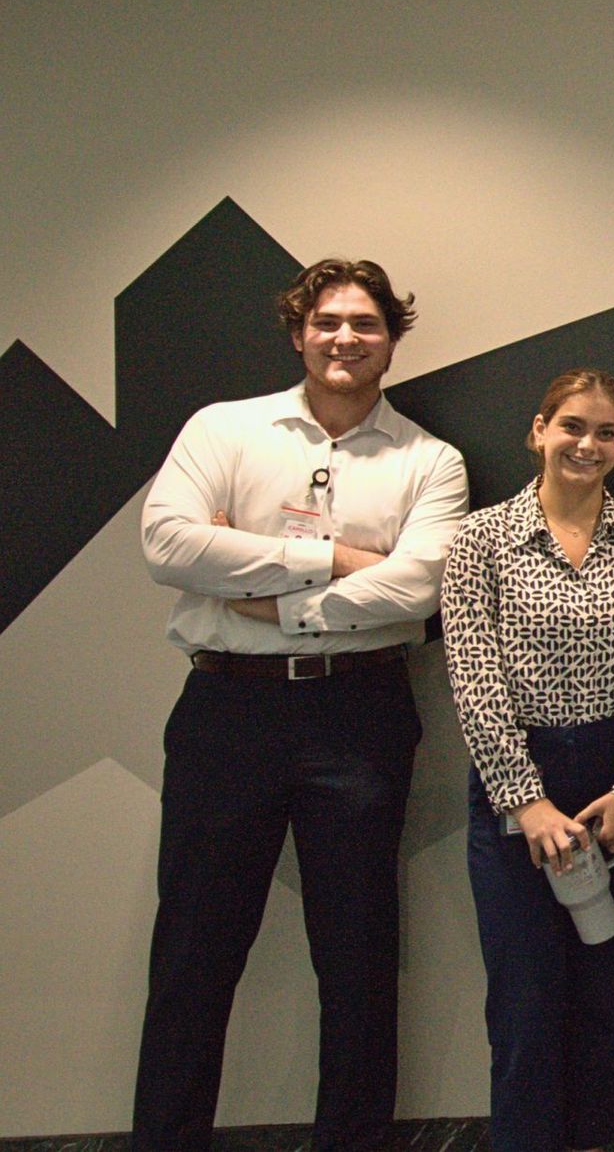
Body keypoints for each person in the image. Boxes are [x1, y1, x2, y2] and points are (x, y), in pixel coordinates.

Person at [134, 259, 468, 1151]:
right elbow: (167, 542)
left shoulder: (430, 460)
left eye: (365, 323)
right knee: (192, 959)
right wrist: (335, 563)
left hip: (358, 716)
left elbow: (424, 585)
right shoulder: (224, 428)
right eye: (327, 322)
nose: (345, 338)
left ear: (393, 340)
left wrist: (266, 593)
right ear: (298, 332)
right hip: (225, 712)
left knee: (357, 962)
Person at [441, 369, 614, 1152]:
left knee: (605, 988)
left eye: (606, 432)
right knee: (525, 998)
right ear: (538, 430)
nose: (587, 444)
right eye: (572, 426)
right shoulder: (481, 539)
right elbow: (473, 677)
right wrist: (526, 802)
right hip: (520, 784)